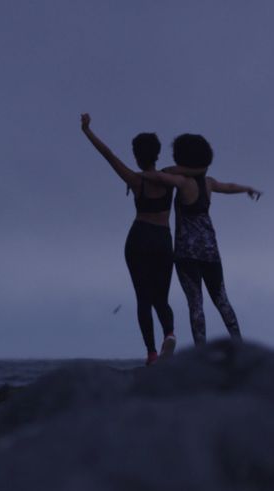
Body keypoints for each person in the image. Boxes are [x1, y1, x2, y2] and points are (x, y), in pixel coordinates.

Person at [140, 134, 261, 345]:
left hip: (187, 255)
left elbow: (160, 176)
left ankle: (201, 351)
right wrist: (247, 189)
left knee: (196, 304)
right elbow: (229, 186)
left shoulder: (181, 181)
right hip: (210, 252)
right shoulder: (208, 183)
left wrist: (137, 176)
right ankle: (239, 345)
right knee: (222, 300)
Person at [80, 113, 177, 365]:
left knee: (143, 298)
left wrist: (87, 131)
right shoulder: (171, 178)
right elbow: (194, 169)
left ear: (136, 155)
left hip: (139, 238)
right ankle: (170, 333)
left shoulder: (134, 179)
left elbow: (108, 155)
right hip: (163, 240)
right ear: (156, 154)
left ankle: (152, 353)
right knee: (161, 298)